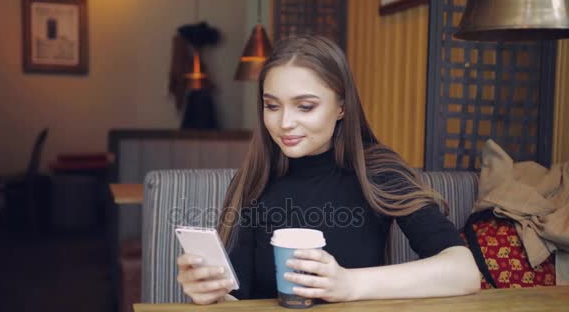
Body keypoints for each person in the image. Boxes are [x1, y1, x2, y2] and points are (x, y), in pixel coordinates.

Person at [176, 35, 480, 305]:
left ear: (342, 107)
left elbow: (464, 272)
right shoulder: (255, 178)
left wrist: (349, 284)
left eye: (305, 107)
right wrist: (211, 294)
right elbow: (238, 298)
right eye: (272, 106)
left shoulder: (377, 170)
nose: (284, 123)